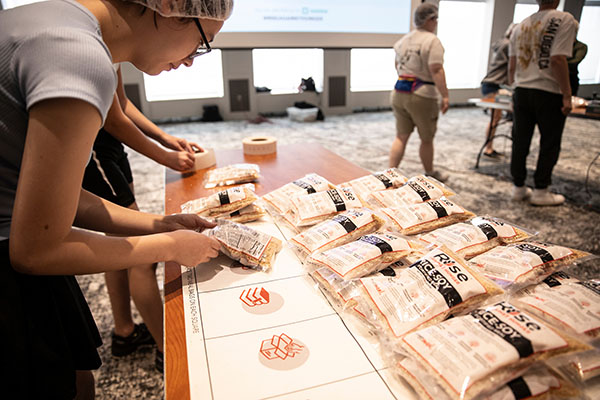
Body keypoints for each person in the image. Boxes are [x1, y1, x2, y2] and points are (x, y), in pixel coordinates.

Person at [0, 0, 232, 398]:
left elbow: (58, 198)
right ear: (171, 9)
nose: (192, 61)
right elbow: (35, 249)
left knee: (78, 375)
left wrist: (161, 224)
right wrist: (170, 246)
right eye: (201, 43)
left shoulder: (53, 19)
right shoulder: (80, 56)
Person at [82, 65, 202, 372]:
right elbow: (113, 119)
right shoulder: (94, 42)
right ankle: (167, 351)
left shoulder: (111, 48)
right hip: (93, 149)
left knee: (120, 241)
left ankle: (124, 330)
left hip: (111, 147)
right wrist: (165, 155)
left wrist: (163, 137)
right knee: (141, 253)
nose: (185, 62)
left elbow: (119, 102)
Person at [508, 0, 577, 206]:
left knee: (520, 140)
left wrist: (514, 88)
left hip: (522, 90)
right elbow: (557, 60)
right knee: (549, 142)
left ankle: (518, 187)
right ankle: (541, 190)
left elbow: (511, 66)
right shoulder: (564, 20)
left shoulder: (520, 25)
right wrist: (567, 94)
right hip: (548, 91)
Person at [389, 2, 450, 183]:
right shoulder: (432, 41)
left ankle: (390, 174)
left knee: (401, 136)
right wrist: (445, 95)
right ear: (430, 19)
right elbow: (436, 69)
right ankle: (430, 173)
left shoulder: (402, 41)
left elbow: (397, 66)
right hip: (423, 94)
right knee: (426, 138)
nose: (436, 23)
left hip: (400, 91)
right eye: (435, 19)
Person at [480, 23, 516, 158]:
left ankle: (489, 147)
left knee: (497, 117)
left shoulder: (501, 43)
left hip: (491, 83)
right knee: (495, 118)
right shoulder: (509, 45)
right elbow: (511, 68)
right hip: (494, 85)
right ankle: (488, 148)